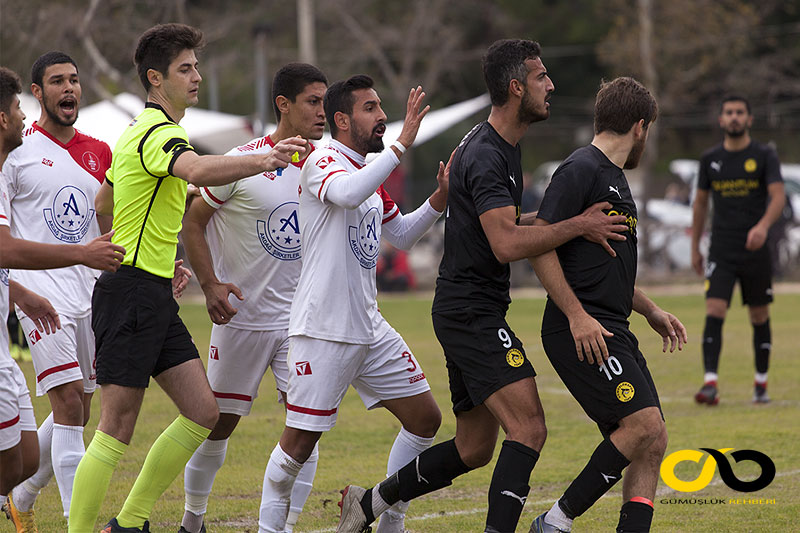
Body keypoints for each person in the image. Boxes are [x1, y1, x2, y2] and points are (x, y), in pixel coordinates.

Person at [337, 39, 629, 533]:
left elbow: (502, 221)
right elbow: (506, 243)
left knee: (474, 447)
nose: (551, 85)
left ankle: (368, 503)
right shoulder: (489, 154)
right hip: (472, 312)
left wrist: (565, 218)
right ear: (516, 87)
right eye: (541, 77)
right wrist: (577, 226)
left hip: (464, 308)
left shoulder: (497, 144)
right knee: (529, 428)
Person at [66, 24, 307, 533]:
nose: (197, 76)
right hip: (130, 294)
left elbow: (105, 201)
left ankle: (128, 522)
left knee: (202, 411)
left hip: (147, 289)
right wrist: (263, 158)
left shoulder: (137, 131)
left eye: (196, 66)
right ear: (156, 79)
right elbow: (194, 172)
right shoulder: (159, 132)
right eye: (185, 68)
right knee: (115, 427)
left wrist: (138, 250)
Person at [258, 74, 449, 533]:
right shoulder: (322, 159)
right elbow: (345, 193)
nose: (383, 117)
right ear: (342, 119)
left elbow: (400, 236)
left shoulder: (367, 174)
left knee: (425, 419)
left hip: (369, 327)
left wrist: (440, 198)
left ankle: (388, 520)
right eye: (371, 108)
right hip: (323, 331)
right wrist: (402, 144)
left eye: (381, 108)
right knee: (296, 448)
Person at [528, 77, 687, 533]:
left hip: (612, 325)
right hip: (578, 329)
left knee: (652, 438)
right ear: (640, 127)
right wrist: (576, 316)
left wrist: (650, 309)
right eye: (650, 130)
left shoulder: (615, 180)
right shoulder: (580, 168)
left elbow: (605, 269)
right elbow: (540, 245)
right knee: (641, 426)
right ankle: (554, 523)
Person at [179, 62, 328, 533]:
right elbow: (192, 222)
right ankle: (192, 520)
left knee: (307, 428)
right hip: (240, 319)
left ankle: (286, 525)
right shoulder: (243, 161)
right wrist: (210, 285)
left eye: (325, 101)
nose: (323, 112)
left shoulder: (329, 166)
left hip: (300, 325)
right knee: (217, 425)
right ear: (283, 105)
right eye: (313, 102)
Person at [0, 51, 131, 529]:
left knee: (80, 404)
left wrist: (151, 264)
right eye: (57, 81)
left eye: (74, 80)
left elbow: (110, 223)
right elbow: (2, 241)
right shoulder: (14, 151)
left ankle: (21, 495)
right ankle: (80, 521)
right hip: (41, 296)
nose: (69, 88)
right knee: (71, 402)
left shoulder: (101, 151)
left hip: (90, 295)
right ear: (37, 93)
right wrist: (18, 294)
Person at [690, 95, 785, 405]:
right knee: (714, 310)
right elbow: (701, 203)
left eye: (739, 112)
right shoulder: (710, 159)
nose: (734, 117)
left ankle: (760, 384)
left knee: (759, 315)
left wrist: (762, 226)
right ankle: (710, 384)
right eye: (728, 112)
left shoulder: (764, 155)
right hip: (721, 249)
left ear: (749, 119)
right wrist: (695, 247)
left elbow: (778, 197)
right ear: (721, 119)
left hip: (756, 250)